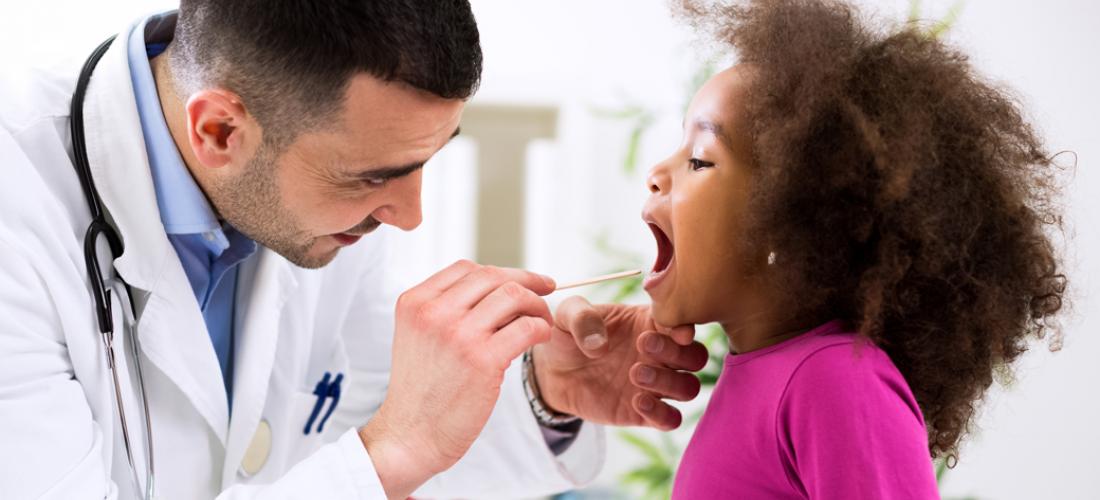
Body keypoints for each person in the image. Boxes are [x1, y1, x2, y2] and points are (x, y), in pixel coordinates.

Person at [0, 2, 708, 498]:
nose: (408, 215)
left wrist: (542, 395)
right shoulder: (19, 216)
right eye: (374, 178)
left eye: (425, 163)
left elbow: (348, 446)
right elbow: (375, 462)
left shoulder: (315, 204)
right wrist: (393, 450)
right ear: (218, 131)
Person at [638, 0, 1068, 498]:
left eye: (699, 160)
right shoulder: (765, 374)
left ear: (788, 218)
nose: (655, 175)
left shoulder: (834, 382)